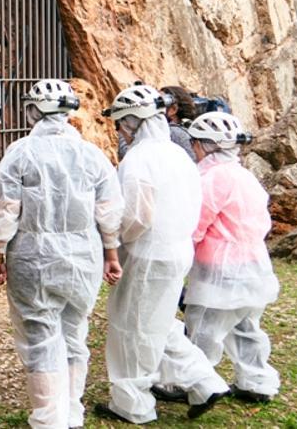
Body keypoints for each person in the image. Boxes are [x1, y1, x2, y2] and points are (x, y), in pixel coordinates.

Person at [0, 80, 124, 429]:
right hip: (84, 256)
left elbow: (7, 209)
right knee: (75, 332)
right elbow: (108, 210)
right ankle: (72, 412)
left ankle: (49, 418)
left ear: (34, 111)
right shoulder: (92, 155)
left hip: (33, 257)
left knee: (39, 336)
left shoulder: (20, 153)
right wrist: (111, 253)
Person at [97, 84, 229, 423]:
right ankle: (204, 381)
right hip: (177, 250)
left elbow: (137, 217)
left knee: (132, 328)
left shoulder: (139, 160)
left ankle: (132, 403)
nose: (119, 129)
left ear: (131, 121)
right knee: (158, 322)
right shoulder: (176, 154)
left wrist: (111, 243)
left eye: (121, 122)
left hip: (148, 255)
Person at [183, 112, 281, 404]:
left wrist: (182, 251)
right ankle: (257, 381)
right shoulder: (244, 175)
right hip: (254, 263)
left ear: (206, 144)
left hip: (221, 268)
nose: (194, 149)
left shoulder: (213, 178)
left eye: (196, 143)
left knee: (203, 328)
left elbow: (197, 222)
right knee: (246, 326)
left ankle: (199, 383)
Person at [116, 84, 198, 161]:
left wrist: (124, 127)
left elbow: (130, 156)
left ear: (173, 109)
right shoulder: (182, 131)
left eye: (158, 103)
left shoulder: (172, 133)